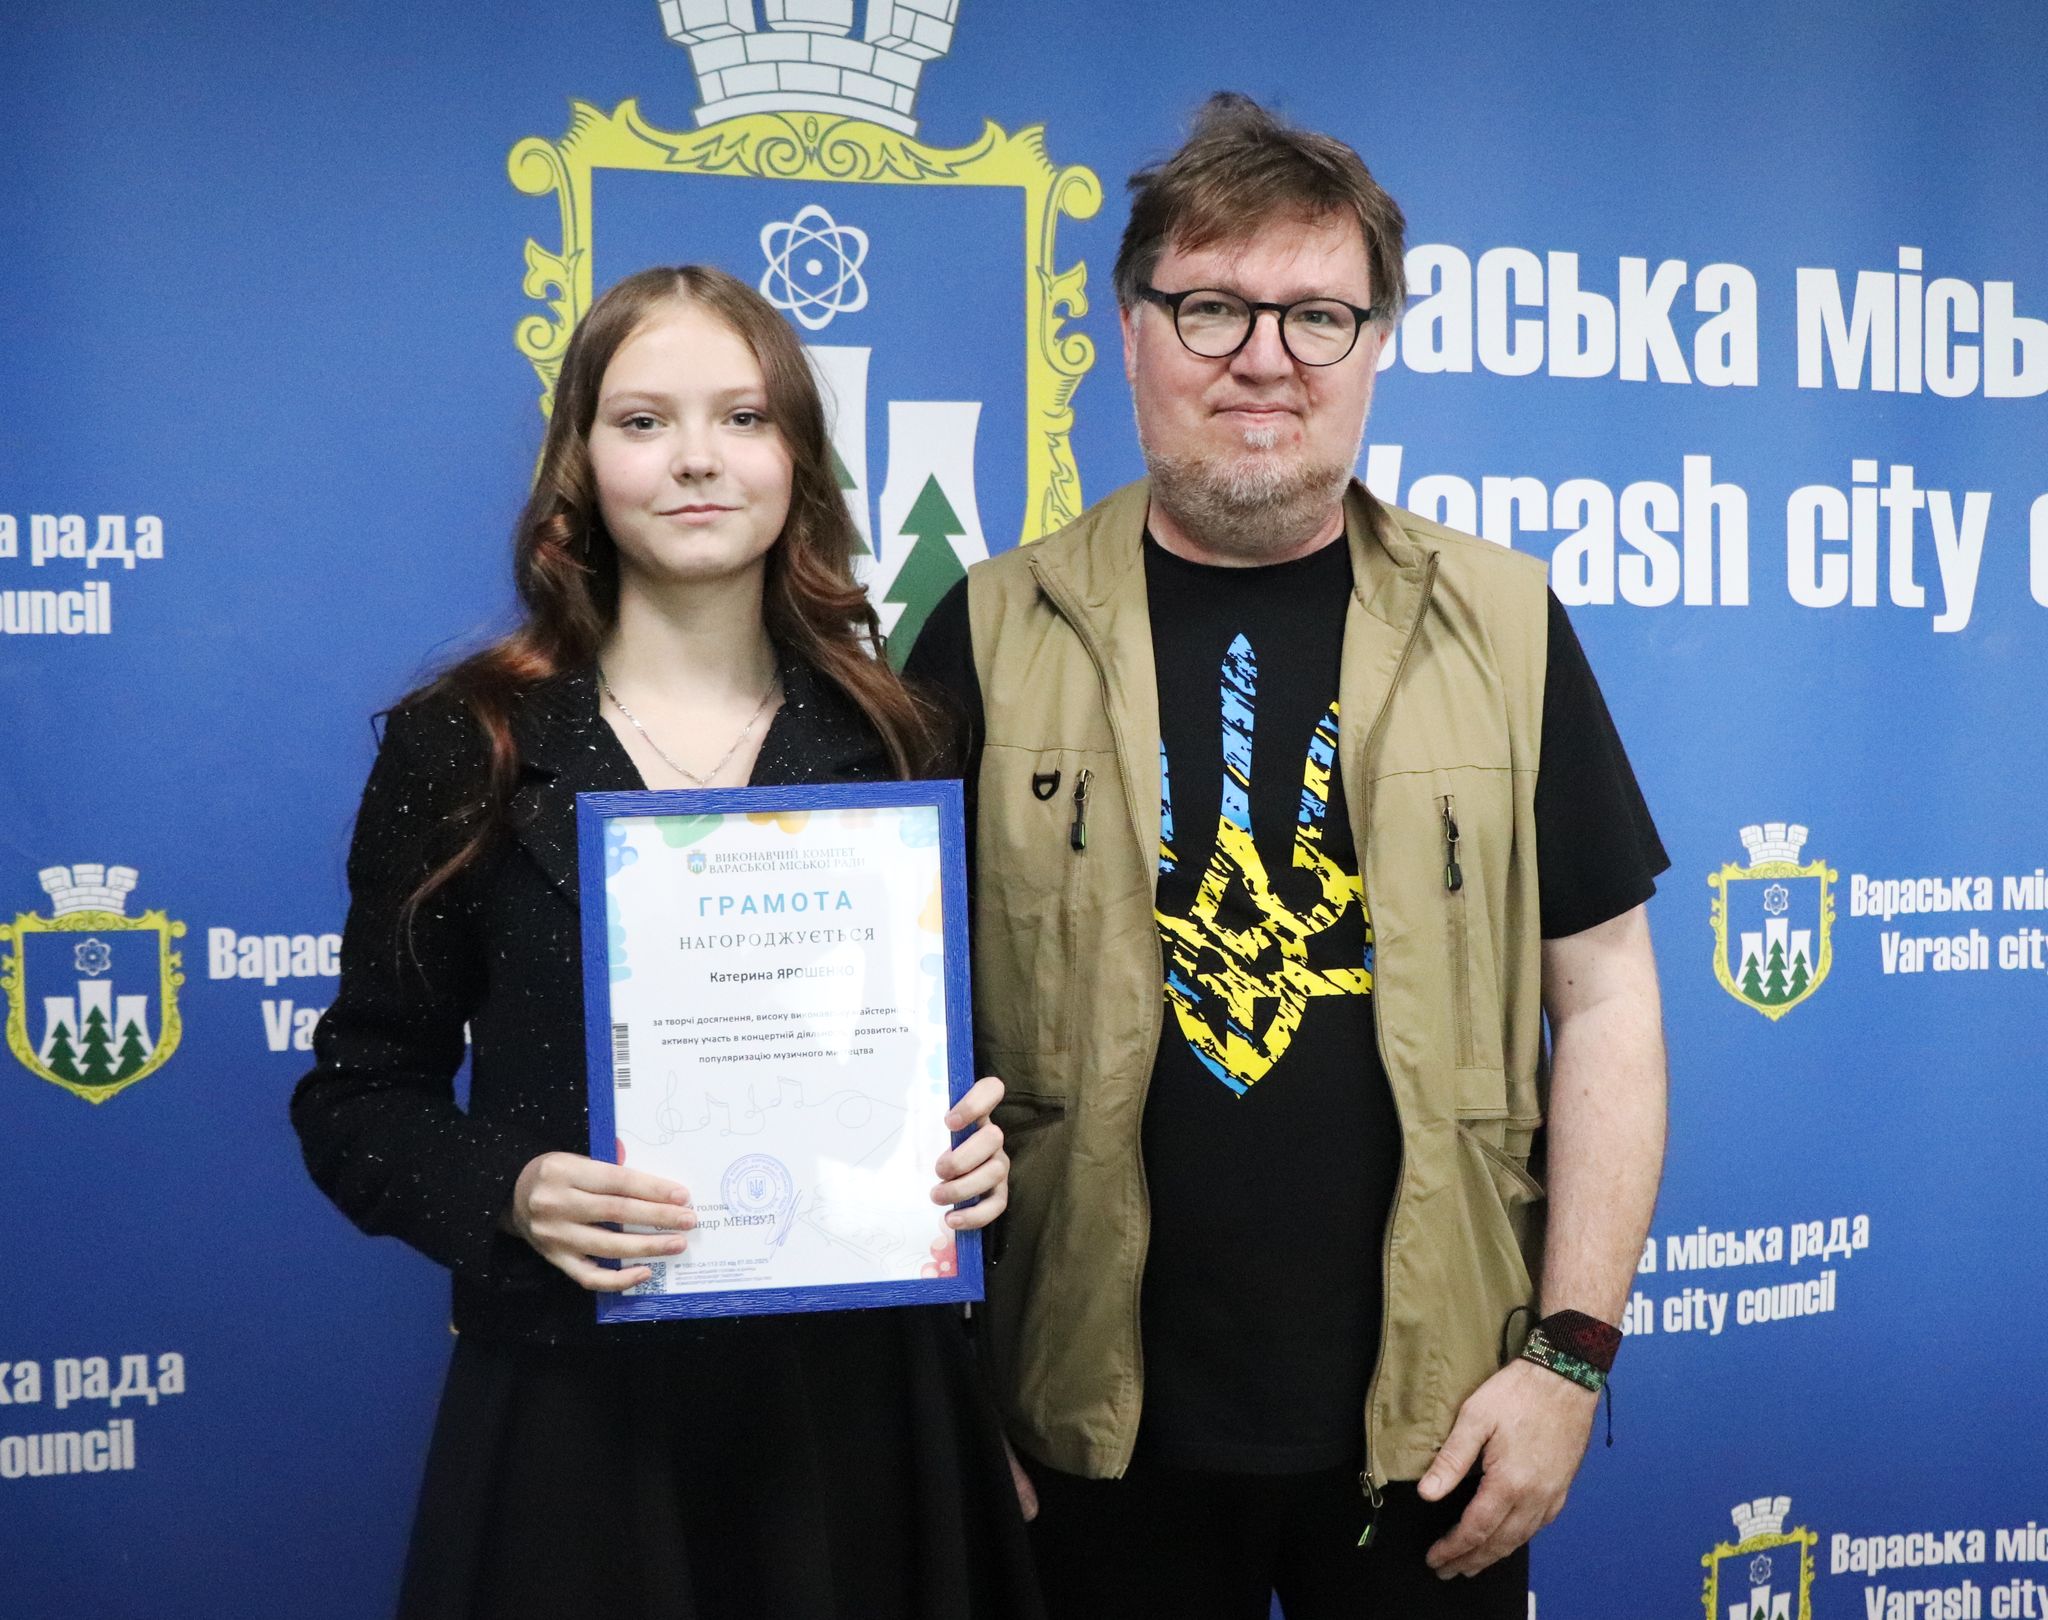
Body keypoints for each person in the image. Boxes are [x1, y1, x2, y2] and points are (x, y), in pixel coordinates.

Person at [905, 94, 1670, 1618]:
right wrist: (933, 1391)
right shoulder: (986, 631)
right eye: (1211, 307)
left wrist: (1569, 1361)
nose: (1265, 357)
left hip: (1437, 1436)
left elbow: (1607, 1001)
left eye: (1319, 315)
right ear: (1130, 332)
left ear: (1376, 345)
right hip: (1073, 1435)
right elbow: (883, 1037)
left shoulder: (1506, 627)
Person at [292, 265, 1041, 1620]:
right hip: (578, 1417)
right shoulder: (468, 744)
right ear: (579, 463)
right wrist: (511, 1190)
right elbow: (358, 1097)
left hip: (866, 1410)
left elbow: (959, 1059)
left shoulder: (903, 738)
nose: (697, 458)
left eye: (742, 417)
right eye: (643, 421)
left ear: (797, 457)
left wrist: (976, 1154)